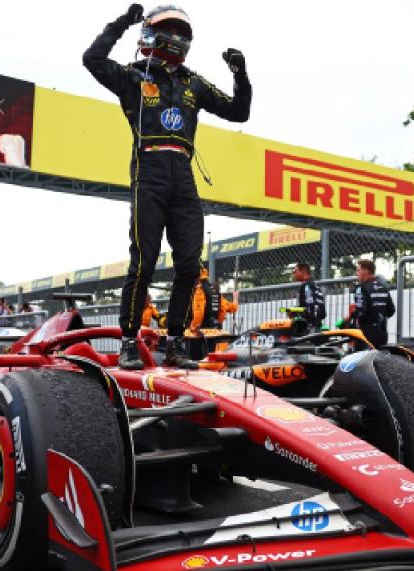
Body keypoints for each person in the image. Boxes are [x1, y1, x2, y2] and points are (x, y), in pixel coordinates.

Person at [83, 4, 252, 369]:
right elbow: (92, 58)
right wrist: (124, 23)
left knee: (191, 265)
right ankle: (129, 341)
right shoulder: (132, 76)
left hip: (184, 178)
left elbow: (239, 111)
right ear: (148, 35)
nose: (175, 37)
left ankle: (174, 342)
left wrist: (240, 74)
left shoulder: (193, 83)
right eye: (167, 30)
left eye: (180, 31)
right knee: (143, 262)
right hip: (149, 173)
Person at [342, 259, 396, 349]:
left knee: (361, 361)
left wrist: (348, 318)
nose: (357, 273)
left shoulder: (361, 288)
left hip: (365, 335)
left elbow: (360, 312)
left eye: (358, 270)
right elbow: (391, 310)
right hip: (382, 334)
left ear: (366, 271)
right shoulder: (383, 287)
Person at [189, 266, 238, 333]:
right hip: (215, 330)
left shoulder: (200, 289)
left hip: (202, 332)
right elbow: (232, 307)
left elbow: (199, 312)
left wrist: (193, 327)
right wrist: (235, 298)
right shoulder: (216, 292)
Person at [292, 262, 326, 335]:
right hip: (314, 324)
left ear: (303, 271)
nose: (294, 274)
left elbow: (310, 307)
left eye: (295, 271)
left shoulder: (307, 286)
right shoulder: (312, 284)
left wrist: (292, 310)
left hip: (310, 326)